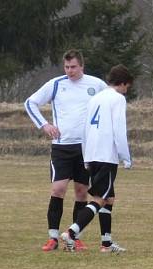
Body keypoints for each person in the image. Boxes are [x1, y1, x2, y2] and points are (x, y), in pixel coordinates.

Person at [25, 49, 108, 252]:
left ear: (82, 66)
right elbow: (30, 103)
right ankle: (52, 237)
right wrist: (45, 125)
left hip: (86, 148)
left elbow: (109, 106)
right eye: (67, 67)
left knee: (81, 192)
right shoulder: (56, 84)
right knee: (58, 189)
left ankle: (75, 236)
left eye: (73, 67)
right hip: (62, 148)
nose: (69, 71)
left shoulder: (96, 85)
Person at [60, 65, 133, 253]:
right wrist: (126, 157)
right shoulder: (117, 99)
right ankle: (72, 232)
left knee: (109, 198)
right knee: (100, 198)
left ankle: (106, 244)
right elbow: (119, 129)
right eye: (127, 87)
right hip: (106, 155)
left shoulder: (95, 99)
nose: (127, 90)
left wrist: (86, 155)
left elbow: (85, 128)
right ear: (123, 83)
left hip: (92, 153)